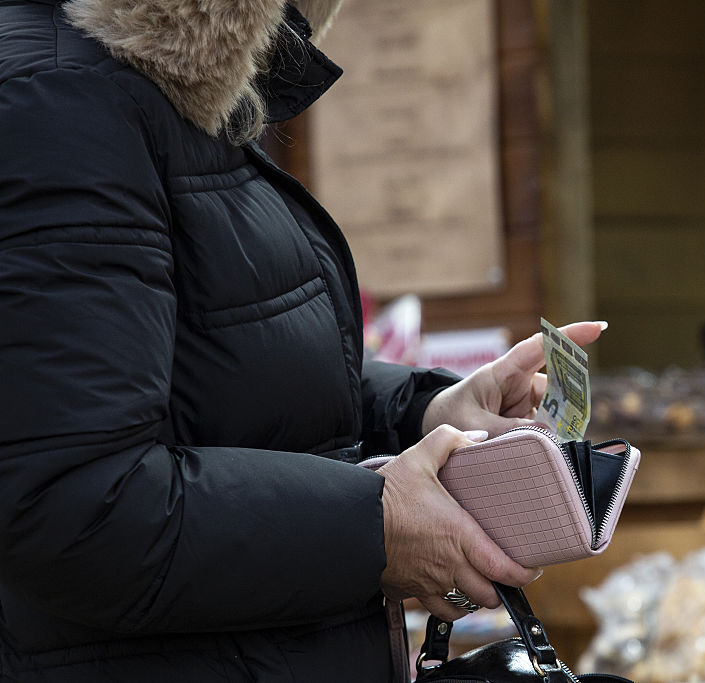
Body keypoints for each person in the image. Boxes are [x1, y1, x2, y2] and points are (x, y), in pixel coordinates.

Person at [0, 0, 605, 680]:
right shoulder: (56, 98)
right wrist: (376, 528)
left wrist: (426, 411)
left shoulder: (163, 79)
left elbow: (212, 366)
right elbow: (74, 504)